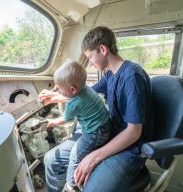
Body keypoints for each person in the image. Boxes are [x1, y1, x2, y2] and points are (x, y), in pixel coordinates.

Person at [39, 26, 154, 192]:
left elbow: (134, 132)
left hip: (130, 148)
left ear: (103, 49)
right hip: (110, 134)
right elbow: (83, 94)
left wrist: (94, 156)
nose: (91, 63)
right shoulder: (110, 74)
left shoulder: (132, 77)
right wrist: (54, 96)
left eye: (90, 57)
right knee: (52, 160)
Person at [45, 61, 112, 191]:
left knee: (75, 154)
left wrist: (52, 122)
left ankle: (71, 185)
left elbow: (66, 119)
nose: (57, 89)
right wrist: (54, 96)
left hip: (95, 133)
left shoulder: (73, 104)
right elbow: (68, 96)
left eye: (59, 88)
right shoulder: (85, 89)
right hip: (106, 125)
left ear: (72, 90)